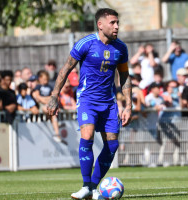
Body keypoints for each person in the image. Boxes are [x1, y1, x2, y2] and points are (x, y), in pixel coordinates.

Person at [46, 8, 132, 200]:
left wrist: (128, 105)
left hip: (109, 103)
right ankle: (86, 185)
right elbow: (66, 69)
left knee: (113, 144)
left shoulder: (121, 48)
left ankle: (93, 187)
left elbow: (125, 76)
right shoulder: (85, 44)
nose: (117, 26)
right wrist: (54, 96)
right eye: (113, 23)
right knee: (88, 135)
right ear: (100, 24)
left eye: (118, 22)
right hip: (87, 100)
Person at [32, 70, 60, 142]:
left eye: (47, 79)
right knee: (46, 109)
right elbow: (37, 96)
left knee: (53, 114)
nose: (46, 81)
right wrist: (45, 99)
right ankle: (51, 120)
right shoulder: (38, 86)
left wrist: (45, 99)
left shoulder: (49, 87)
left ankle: (57, 133)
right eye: (44, 79)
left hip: (48, 104)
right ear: (40, 79)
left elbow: (53, 97)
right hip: (42, 105)